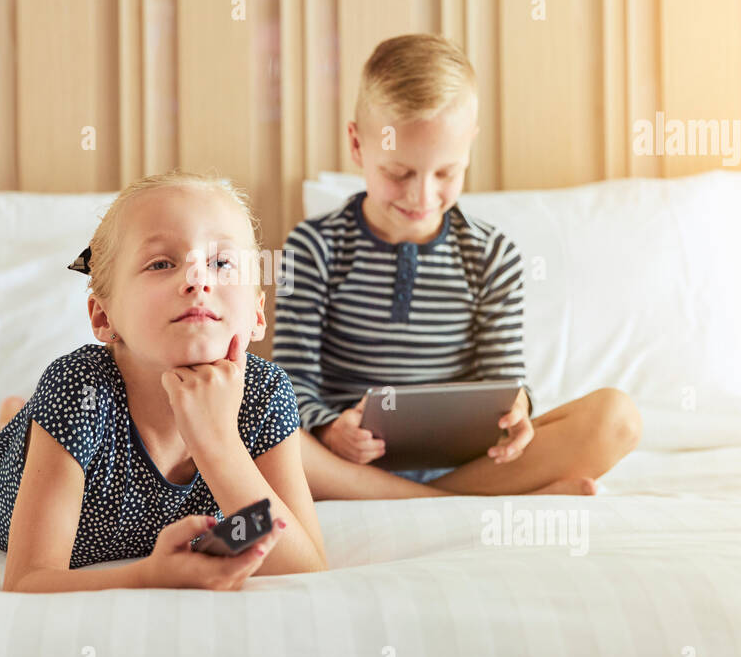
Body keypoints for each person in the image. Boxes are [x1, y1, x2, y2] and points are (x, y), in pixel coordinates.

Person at [0, 170, 328, 590]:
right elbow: (28, 579)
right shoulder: (79, 389)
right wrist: (150, 575)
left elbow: (304, 565)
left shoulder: (265, 394)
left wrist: (219, 443)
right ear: (103, 317)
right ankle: (8, 424)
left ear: (258, 314)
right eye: (162, 263)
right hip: (3, 481)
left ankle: (14, 414)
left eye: (222, 263)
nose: (198, 279)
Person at [273, 33, 642, 501]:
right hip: (344, 465)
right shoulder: (314, 247)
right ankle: (455, 504)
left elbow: (503, 380)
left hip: (463, 462)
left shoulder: (491, 255)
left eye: (446, 173)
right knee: (261, 426)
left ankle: (424, 498)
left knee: (617, 418)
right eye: (398, 172)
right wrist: (328, 430)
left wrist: (518, 412)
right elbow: (290, 385)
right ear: (357, 145)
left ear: (469, 147)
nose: (422, 197)